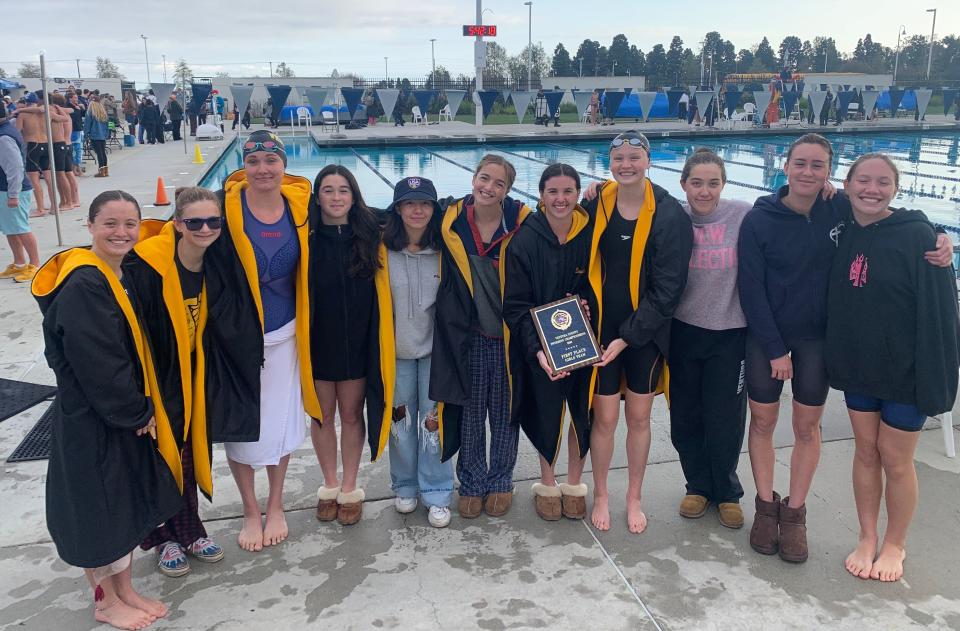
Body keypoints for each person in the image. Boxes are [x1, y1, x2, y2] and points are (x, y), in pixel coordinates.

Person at [737, 133, 953, 564]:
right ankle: (766, 507)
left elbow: (900, 222)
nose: (808, 172)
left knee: (807, 427)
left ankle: (795, 513)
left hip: (819, 340)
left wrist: (940, 234)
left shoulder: (840, 208)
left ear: (830, 173)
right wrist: (775, 347)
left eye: (817, 165)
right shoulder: (760, 219)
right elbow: (751, 287)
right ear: (785, 166)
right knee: (764, 423)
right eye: (800, 163)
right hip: (770, 340)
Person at [32, 190, 182, 631]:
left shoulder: (114, 273)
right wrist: (136, 412)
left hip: (112, 416)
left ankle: (126, 591)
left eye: (129, 224)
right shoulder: (84, 284)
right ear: (91, 227)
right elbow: (99, 362)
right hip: (93, 419)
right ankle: (104, 600)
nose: (121, 233)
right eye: (110, 224)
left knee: (122, 506)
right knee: (97, 511)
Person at [825, 154, 959, 582]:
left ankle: (895, 544)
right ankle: (867, 537)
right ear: (846, 185)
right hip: (857, 363)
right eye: (863, 180)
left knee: (896, 460)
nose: (872, 189)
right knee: (865, 452)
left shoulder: (920, 235)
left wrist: (938, 377)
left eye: (883, 182)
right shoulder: (841, 227)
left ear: (895, 189)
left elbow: (942, 314)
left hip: (906, 371)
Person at [208, 130, 323, 551]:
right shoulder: (222, 208)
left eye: (270, 160)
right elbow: (179, 242)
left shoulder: (301, 208)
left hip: (289, 335)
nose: (262, 169)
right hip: (236, 338)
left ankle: (275, 505)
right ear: (243, 165)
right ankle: (249, 509)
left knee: (280, 424)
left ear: (284, 164)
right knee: (240, 428)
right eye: (253, 160)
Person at [579, 132, 693, 535]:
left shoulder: (667, 213)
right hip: (599, 331)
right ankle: (604, 494)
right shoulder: (596, 203)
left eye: (634, 157)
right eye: (618, 158)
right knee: (606, 418)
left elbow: (668, 290)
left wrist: (627, 336)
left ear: (648, 160)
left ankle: (634, 497)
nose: (626, 164)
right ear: (609, 162)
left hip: (643, 334)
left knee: (640, 416)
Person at [125, 187, 232, 578]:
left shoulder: (216, 263)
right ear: (177, 224)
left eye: (212, 221)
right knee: (156, 456)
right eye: (194, 222)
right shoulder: (147, 267)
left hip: (192, 372)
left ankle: (189, 529)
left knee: (186, 453)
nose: (205, 228)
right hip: (156, 376)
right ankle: (161, 537)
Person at [431, 154, 533, 519]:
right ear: (473, 178)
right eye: (484, 178)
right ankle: (472, 482)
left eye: (498, 183)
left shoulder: (522, 223)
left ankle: (501, 480)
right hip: (469, 336)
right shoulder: (452, 219)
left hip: (508, 339)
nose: (488, 188)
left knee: (505, 415)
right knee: (472, 413)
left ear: (508, 190)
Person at [501, 163, 592, 522]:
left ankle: (574, 484)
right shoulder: (523, 240)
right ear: (540, 196)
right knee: (546, 411)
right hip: (539, 345)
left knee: (581, 412)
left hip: (582, 342)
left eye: (568, 191)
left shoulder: (589, 235)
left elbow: (598, 287)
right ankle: (548, 484)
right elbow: (515, 306)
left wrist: (587, 304)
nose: (560, 199)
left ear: (577, 194)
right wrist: (537, 351)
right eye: (552, 191)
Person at [668, 148, 752, 529]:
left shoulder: (743, 214)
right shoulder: (672, 217)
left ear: (724, 184)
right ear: (683, 183)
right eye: (696, 183)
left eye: (712, 183)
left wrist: (831, 195)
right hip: (683, 331)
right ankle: (697, 486)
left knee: (726, 418)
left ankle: (727, 491)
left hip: (730, 333)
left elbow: (791, 212)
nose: (704, 191)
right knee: (686, 415)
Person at [308, 164, 383, 526]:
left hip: (356, 342)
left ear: (354, 196)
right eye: (328, 190)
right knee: (321, 416)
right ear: (317, 196)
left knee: (352, 414)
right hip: (317, 342)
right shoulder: (304, 236)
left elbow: (422, 209)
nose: (336, 197)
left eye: (343, 190)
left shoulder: (371, 233)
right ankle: (329, 483)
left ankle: (350, 486)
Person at [379, 176, 455, 528]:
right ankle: (406, 485)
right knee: (400, 423)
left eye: (425, 203)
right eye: (410, 203)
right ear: (397, 208)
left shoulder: (446, 250)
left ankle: (437, 490)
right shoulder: (381, 251)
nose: (418, 210)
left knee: (432, 423)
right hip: (396, 353)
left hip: (433, 353)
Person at [0, 113, 40, 283]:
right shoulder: (6, 130)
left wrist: (13, 195)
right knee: (11, 228)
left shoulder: (4, 137)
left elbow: (15, 167)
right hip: (7, 189)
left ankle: (35, 265)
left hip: (13, 189)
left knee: (21, 228)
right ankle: (19, 263)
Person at [84, 99, 110, 178]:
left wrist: (86, 135)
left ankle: (101, 171)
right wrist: (107, 134)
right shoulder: (103, 113)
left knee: (99, 153)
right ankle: (105, 171)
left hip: (95, 135)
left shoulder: (90, 113)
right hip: (103, 135)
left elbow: (87, 125)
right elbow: (107, 125)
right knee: (102, 152)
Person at [67, 92, 86, 176]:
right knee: (75, 150)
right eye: (74, 98)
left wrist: (82, 108)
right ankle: (75, 169)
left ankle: (77, 168)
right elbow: (72, 118)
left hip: (79, 130)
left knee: (79, 150)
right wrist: (77, 110)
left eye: (77, 98)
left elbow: (83, 115)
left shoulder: (77, 106)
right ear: (70, 98)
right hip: (73, 130)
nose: (76, 99)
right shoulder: (67, 107)